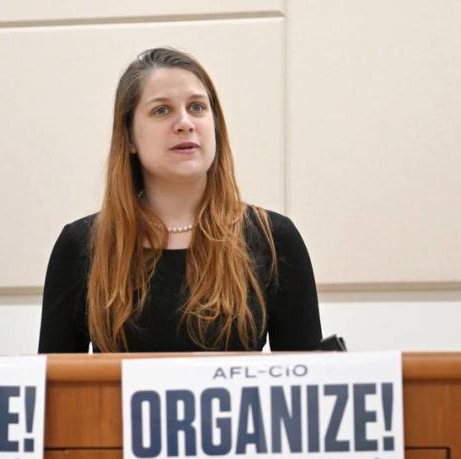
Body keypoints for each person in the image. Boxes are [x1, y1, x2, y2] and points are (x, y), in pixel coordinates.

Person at [38, 48, 320, 353]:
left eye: (197, 107)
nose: (185, 123)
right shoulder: (81, 244)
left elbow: (304, 387)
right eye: (162, 110)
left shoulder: (273, 238)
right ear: (129, 136)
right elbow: (55, 389)